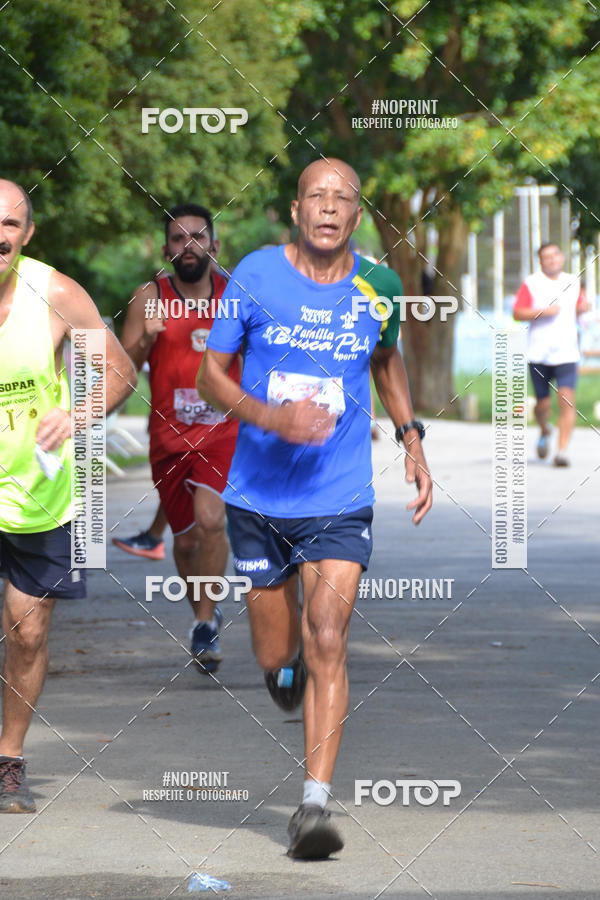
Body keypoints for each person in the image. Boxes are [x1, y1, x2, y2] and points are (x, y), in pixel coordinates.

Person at [198, 158, 432, 859]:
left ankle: (312, 808)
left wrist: (411, 437)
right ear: (296, 211)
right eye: (316, 197)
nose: (329, 208)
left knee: (328, 634)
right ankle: (284, 667)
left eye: (343, 200)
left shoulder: (379, 285)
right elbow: (213, 377)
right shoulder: (257, 275)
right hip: (260, 496)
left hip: (339, 496)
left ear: (357, 217)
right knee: (281, 659)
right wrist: (271, 415)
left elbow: (386, 359)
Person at [0, 179, 137, 813]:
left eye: (10, 224)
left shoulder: (53, 293)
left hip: (39, 495)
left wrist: (77, 417)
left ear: (27, 234)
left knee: (27, 633)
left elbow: (118, 370)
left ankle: (8, 759)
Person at [119, 203, 240, 673]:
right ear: (166, 248)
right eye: (177, 238)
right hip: (167, 436)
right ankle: (201, 617)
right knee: (186, 541)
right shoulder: (149, 297)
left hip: (222, 432)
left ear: (214, 245)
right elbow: (122, 371)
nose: (187, 246)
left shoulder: (235, 297)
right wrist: (145, 339)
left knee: (211, 521)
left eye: (197, 237)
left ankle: (207, 623)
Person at [514, 242, 589, 466]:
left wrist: (582, 308)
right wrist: (543, 311)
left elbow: (578, 307)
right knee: (543, 405)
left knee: (567, 401)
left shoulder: (573, 282)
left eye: (555, 255)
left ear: (562, 257)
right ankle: (546, 429)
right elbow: (518, 312)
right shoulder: (532, 283)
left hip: (567, 353)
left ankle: (562, 451)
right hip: (538, 354)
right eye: (547, 257)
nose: (552, 259)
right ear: (541, 261)